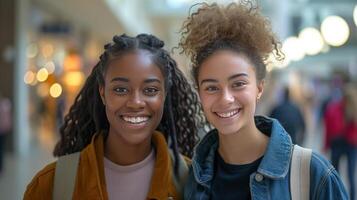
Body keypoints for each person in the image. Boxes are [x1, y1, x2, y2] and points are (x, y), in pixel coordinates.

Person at [178, 2, 348, 199]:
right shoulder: (193, 178)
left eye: (238, 84)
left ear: (259, 87)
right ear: (199, 93)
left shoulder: (312, 173)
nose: (225, 98)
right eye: (211, 88)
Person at [24, 34, 206, 199]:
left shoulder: (195, 184)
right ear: (103, 93)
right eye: (120, 89)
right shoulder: (51, 186)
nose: (136, 102)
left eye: (150, 90)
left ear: (164, 95)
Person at [0, 93, 12, 174]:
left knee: (1, 149)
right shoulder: (7, 103)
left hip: (3, 130)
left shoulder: (6, 103)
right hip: (5, 129)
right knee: (1, 149)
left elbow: (8, 117)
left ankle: (1, 167)